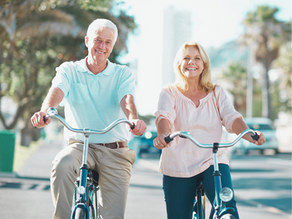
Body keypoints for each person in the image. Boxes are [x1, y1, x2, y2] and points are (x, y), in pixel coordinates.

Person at [31, 18, 147, 219]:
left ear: (112, 46)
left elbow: (126, 99)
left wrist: (134, 119)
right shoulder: (69, 70)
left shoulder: (122, 73)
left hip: (115, 150)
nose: (102, 46)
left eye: (108, 42)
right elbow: (56, 91)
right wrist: (45, 111)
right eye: (97, 40)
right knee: (61, 164)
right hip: (80, 146)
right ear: (87, 41)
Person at [153, 41, 265, 219]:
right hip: (178, 163)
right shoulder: (169, 92)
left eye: (197, 58)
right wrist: (163, 134)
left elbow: (231, 117)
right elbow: (164, 116)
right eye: (186, 58)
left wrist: (249, 134)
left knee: (227, 210)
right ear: (179, 64)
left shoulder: (216, 92)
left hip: (212, 160)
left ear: (204, 64)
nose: (192, 62)